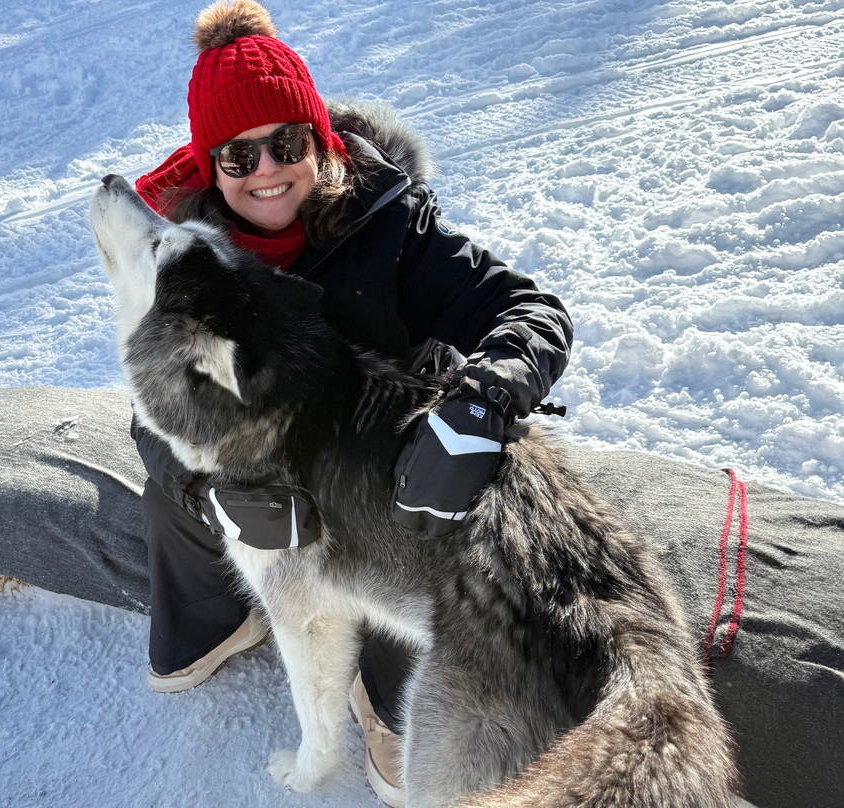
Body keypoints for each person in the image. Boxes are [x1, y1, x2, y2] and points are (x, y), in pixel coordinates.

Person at [129, 2, 572, 805]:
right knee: (168, 493)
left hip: (384, 469)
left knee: (413, 571)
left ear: (320, 141)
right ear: (210, 165)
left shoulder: (390, 224)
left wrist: (482, 400)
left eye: (287, 143)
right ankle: (223, 615)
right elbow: (157, 397)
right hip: (263, 475)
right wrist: (209, 487)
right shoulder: (189, 257)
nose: (265, 170)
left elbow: (531, 313)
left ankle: (381, 694)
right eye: (236, 154)